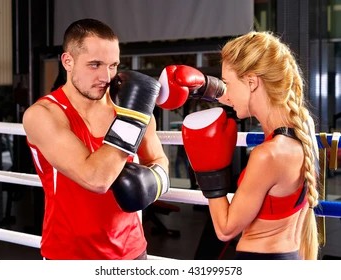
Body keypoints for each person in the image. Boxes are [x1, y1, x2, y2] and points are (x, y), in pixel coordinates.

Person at [22, 18, 170, 260]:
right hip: (69, 256)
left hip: (132, 252)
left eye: (113, 65)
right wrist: (133, 119)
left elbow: (158, 160)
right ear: (67, 61)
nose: (106, 76)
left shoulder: (128, 110)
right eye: (95, 65)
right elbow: (96, 178)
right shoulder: (43, 115)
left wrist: (151, 182)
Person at [181, 31, 320, 260]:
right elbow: (239, 95)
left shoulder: (268, 155)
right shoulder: (303, 127)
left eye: (228, 83)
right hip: (290, 257)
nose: (226, 92)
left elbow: (225, 229)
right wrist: (208, 87)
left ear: (252, 82)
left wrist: (208, 172)